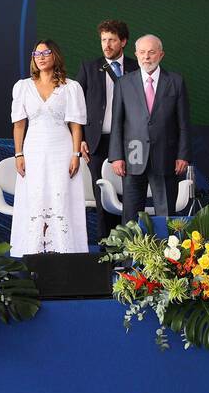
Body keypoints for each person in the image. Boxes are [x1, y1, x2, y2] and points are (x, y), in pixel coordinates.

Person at [10, 39, 88, 255]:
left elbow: (75, 126)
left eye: (46, 53)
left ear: (55, 56)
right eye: (37, 53)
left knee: (60, 196)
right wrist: (18, 153)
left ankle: (63, 252)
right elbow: (18, 125)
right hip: (33, 150)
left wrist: (75, 155)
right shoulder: (23, 86)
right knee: (35, 197)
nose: (41, 57)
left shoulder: (71, 87)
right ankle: (34, 252)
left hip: (61, 151)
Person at [108, 35, 191, 225]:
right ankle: (130, 252)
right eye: (142, 52)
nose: (147, 57)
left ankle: (167, 253)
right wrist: (117, 156)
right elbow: (117, 123)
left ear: (161, 55)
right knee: (130, 214)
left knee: (166, 213)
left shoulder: (176, 81)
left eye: (152, 52)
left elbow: (184, 123)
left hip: (167, 157)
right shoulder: (124, 83)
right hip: (132, 157)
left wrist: (183, 155)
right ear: (136, 54)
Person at [75, 19, 138, 243]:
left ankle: (130, 248)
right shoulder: (89, 68)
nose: (106, 45)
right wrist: (80, 138)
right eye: (103, 40)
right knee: (103, 195)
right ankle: (107, 250)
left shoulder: (136, 67)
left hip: (131, 143)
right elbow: (76, 106)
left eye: (111, 40)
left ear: (123, 41)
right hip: (97, 142)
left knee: (129, 195)